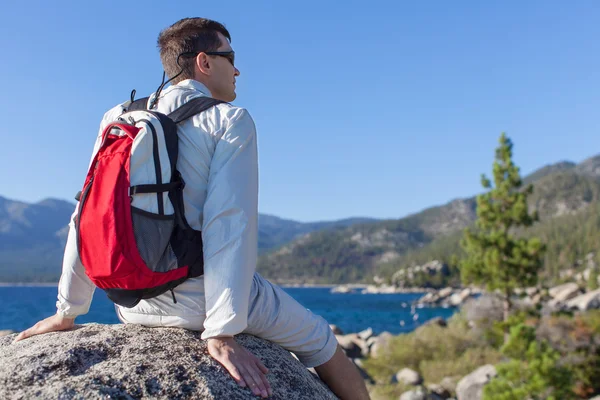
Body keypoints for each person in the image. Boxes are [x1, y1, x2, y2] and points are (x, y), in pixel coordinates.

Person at [14, 17, 371, 400]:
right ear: (203, 61)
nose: (237, 69)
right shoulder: (230, 120)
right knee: (324, 343)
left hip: (133, 302)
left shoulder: (116, 118)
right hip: (201, 302)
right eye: (229, 57)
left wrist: (67, 311)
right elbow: (229, 224)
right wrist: (221, 330)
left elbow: (89, 214)